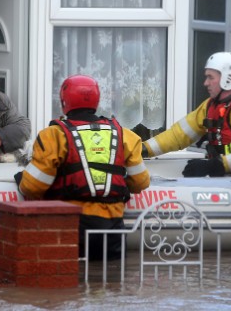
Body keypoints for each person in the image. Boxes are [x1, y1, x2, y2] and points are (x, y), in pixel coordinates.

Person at [16, 75, 150, 261]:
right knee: (111, 283)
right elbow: (141, 182)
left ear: (64, 101)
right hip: (114, 231)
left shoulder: (54, 135)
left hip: (72, 229)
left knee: (72, 284)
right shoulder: (124, 134)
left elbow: (32, 187)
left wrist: (21, 179)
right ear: (96, 100)